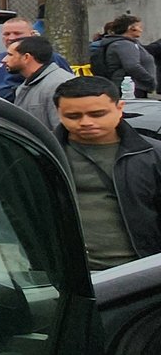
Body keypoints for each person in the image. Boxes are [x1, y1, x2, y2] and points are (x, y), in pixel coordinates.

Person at [54, 76, 160, 269]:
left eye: (97, 114)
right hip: (66, 271)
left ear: (119, 108)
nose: (86, 122)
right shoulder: (42, 154)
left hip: (140, 269)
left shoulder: (151, 155)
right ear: (59, 113)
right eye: (73, 116)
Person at [0, 16, 67, 101]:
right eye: (7, 34)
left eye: (17, 33)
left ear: (32, 35)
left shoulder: (50, 58)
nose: (11, 38)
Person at [10, 35, 75, 132]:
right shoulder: (28, 84)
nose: (4, 60)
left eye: (10, 55)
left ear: (26, 57)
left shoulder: (59, 84)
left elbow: (62, 131)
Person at [90, 15, 156, 99]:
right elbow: (132, 66)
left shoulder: (128, 43)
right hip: (129, 88)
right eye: (139, 27)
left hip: (134, 87)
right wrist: (149, 80)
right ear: (130, 28)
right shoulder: (123, 44)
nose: (141, 30)